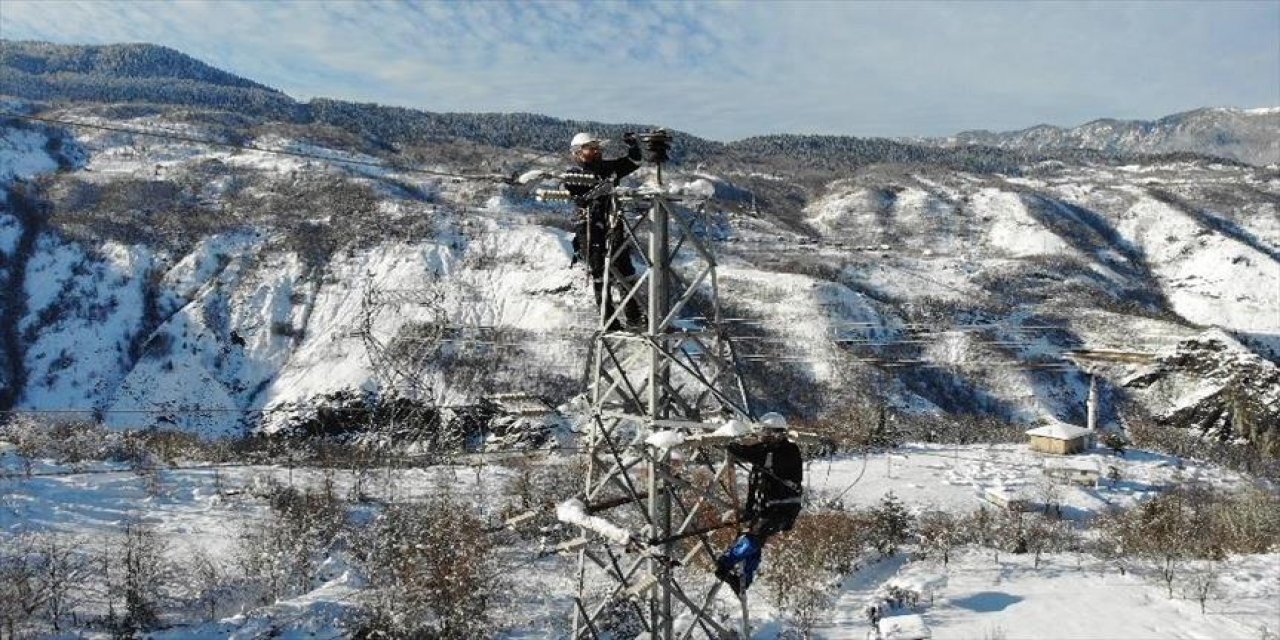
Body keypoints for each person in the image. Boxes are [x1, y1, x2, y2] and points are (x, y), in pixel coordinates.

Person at [563, 131, 645, 331]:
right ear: (578, 152)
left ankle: (634, 317)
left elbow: (633, 162)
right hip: (590, 225)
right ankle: (608, 319)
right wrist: (583, 193)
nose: (596, 151)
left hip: (612, 222)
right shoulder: (575, 173)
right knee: (600, 272)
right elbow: (568, 187)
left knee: (625, 269)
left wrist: (633, 146)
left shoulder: (608, 168)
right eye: (590, 148)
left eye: (597, 148)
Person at [715, 412, 803, 595]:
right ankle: (743, 580)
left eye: (767, 433)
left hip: (782, 508)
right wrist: (749, 510)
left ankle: (726, 563)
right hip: (767, 507)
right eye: (763, 433)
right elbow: (756, 485)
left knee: (755, 536)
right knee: (757, 539)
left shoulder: (787, 451)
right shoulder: (767, 452)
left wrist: (732, 445)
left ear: (778, 434)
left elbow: (752, 454)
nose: (763, 437)